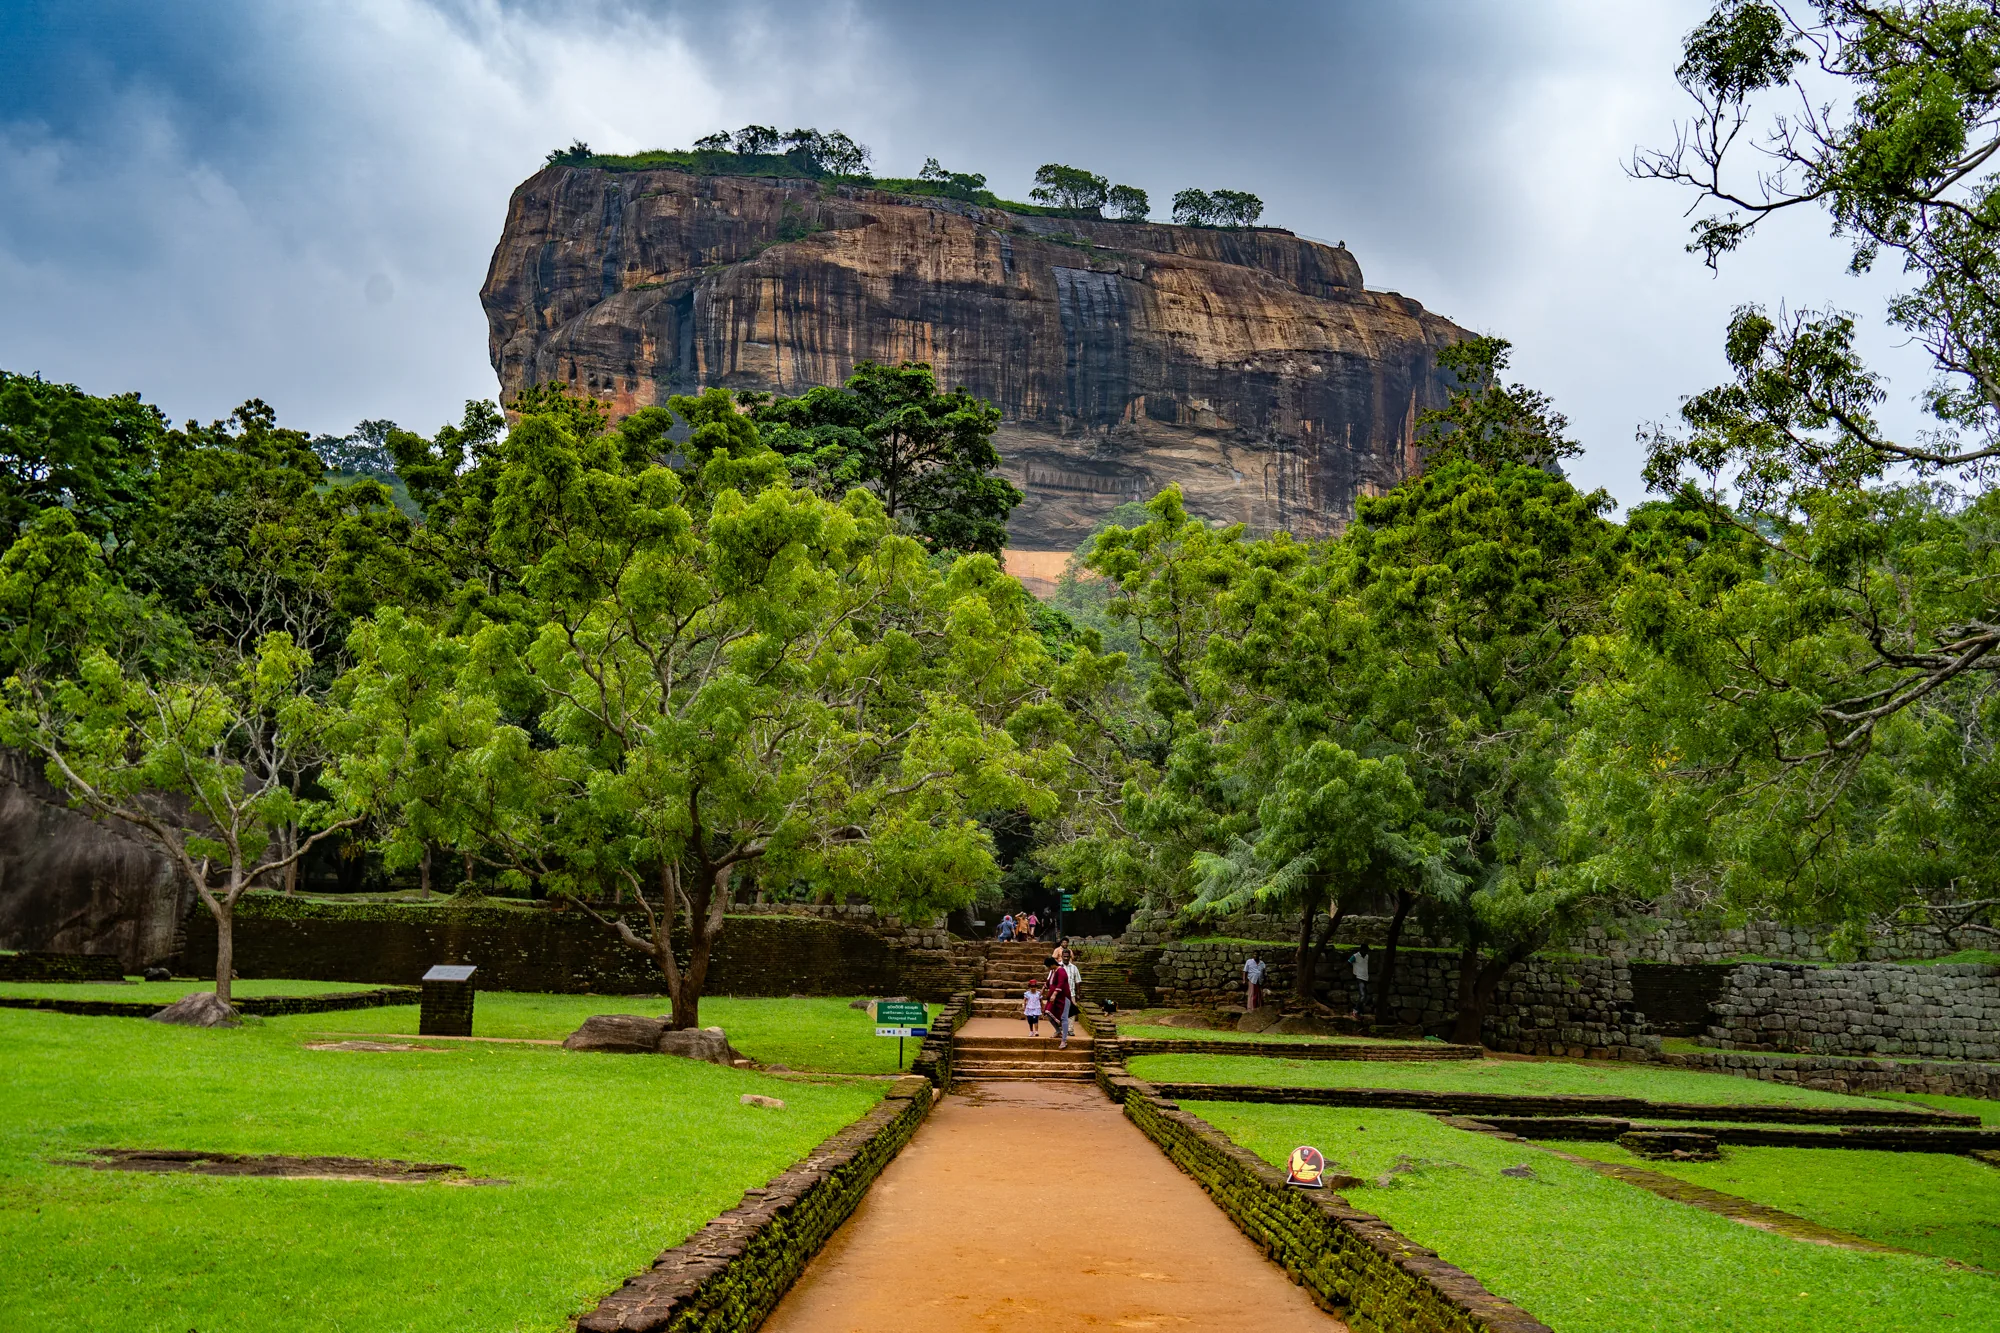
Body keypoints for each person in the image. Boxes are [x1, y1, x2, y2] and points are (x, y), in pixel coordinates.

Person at [1042, 954, 1075, 1048]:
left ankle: (1064, 1040)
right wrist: (1043, 988)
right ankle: (1058, 1031)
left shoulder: (1061, 970)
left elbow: (1060, 983)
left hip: (1063, 997)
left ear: (1052, 964)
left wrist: (1054, 994)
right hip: (1055, 998)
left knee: (1064, 1018)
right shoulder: (1054, 971)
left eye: (1048, 966)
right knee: (1048, 1013)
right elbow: (1049, 982)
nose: (1048, 968)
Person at [1349, 945, 1371, 1019]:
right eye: (1365, 951)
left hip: (1365, 978)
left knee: (1365, 997)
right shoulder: (1355, 956)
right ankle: (1355, 1010)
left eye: (1367, 951)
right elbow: (1348, 962)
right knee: (1363, 996)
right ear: (1361, 950)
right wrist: (1354, 971)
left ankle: (1360, 1012)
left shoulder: (1367, 956)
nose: (1366, 952)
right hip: (1359, 978)